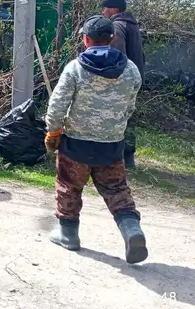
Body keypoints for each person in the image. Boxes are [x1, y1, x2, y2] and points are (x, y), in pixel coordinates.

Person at [44, 15, 146, 264]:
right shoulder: (131, 69)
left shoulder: (75, 68)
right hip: (111, 145)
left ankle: (68, 235)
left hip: (76, 144)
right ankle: (132, 230)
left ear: (86, 40)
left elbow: (57, 105)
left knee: (69, 186)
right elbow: (130, 106)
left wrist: (53, 131)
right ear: (111, 39)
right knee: (117, 190)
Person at [101, 0, 145, 169]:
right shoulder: (132, 25)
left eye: (105, 8)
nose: (103, 12)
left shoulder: (117, 27)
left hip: (121, 80)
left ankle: (116, 157)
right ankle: (129, 158)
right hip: (134, 79)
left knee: (117, 118)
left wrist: (111, 80)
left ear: (113, 9)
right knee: (129, 118)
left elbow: (117, 56)